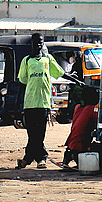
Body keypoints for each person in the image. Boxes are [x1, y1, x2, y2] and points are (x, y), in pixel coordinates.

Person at [16, 33, 64, 169]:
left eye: (41, 42)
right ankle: (38, 158)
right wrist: (19, 104)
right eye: (36, 42)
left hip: (43, 102)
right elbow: (22, 82)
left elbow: (59, 72)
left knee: (40, 133)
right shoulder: (26, 61)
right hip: (30, 103)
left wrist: (75, 79)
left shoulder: (48, 59)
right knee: (32, 133)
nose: (38, 44)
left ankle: (32, 159)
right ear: (31, 44)